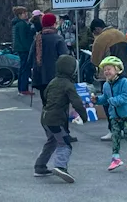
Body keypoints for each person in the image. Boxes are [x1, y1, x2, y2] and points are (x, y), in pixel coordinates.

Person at [35, 54, 88, 183]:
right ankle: (60, 166)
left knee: (51, 141)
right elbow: (77, 102)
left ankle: (40, 166)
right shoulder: (68, 85)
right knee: (65, 144)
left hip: (45, 118)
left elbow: (46, 96)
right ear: (72, 70)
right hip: (56, 121)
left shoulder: (53, 81)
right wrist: (84, 116)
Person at [94, 56, 127, 171]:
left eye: (109, 69)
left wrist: (112, 101)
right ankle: (115, 159)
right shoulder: (106, 85)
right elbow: (105, 98)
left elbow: (126, 97)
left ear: (117, 70)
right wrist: (97, 100)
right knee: (115, 136)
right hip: (114, 115)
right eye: (105, 70)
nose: (106, 72)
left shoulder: (124, 82)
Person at [90, 18, 127, 139]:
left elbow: (95, 60)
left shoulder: (102, 38)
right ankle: (124, 128)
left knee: (108, 102)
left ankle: (113, 130)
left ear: (97, 29)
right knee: (122, 102)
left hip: (108, 74)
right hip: (122, 72)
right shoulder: (120, 33)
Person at [27, 13, 69, 104]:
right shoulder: (58, 39)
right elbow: (65, 58)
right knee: (56, 103)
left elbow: (30, 58)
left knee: (45, 103)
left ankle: (46, 117)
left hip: (40, 76)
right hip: (55, 76)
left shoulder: (38, 38)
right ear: (53, 24)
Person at [12, 6, 34, 96]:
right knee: (25, 68)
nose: (26, 14)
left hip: (21, 48)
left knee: (23, 68)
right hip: (24, 49)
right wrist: (29, 48)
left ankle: (21, 88)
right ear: (20, 15)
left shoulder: (19, 24)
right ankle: (24, 88)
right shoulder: (21, 24)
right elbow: (24, 38)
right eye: (24, 13)